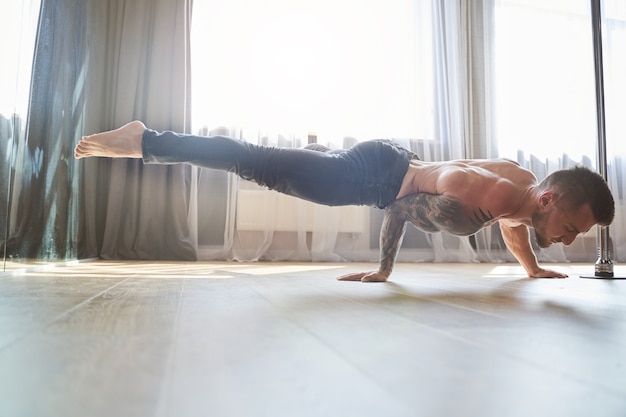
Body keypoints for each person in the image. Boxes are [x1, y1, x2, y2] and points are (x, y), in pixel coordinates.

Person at [75, 121, 615, 282]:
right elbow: (400, 209)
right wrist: (383, 270)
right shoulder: (476, 202)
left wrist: (532, 268)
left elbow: (516, 223)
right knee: (254, 160)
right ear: (549, 198)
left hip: (390, 161)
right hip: (376, 179)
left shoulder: (520, 184)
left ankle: (315, 154)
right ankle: (146, 141)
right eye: (571, 227)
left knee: (283, 162)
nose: (572, 238)